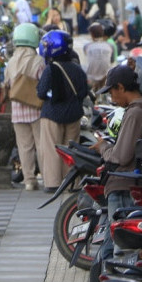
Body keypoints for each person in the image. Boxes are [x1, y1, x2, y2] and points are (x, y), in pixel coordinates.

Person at [91, 65, 142, 259]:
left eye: (111, 92)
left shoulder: (135, 113)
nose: (112, 98)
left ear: (121, 87)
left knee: (122, 250)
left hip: (124, 185)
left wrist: (103, 148)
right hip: (137, 182)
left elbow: (121, 156)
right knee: (111, 246)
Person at [37, 30, 88, 192]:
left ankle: (53, 183)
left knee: (52, 149)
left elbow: (41, 92)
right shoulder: (77, 69)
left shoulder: (50, 69)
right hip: (73, 114)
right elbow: (83, 92)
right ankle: (72, 183)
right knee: (70, 151)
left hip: (52, 114)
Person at [5, 23, 46, 192]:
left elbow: (6, 84)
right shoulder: (38, 61)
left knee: (24, 147)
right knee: (41, 145)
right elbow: (43, 84)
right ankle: (45, 176)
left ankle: (29, 180)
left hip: (17, 111)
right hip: (36, 109)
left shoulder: (11, 62)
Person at [83, 22, 114, 92]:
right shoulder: (110, 46)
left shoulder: (87, 46)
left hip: (90, 78)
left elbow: (88, 59)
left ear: (92, 35)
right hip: (106, 78)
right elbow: (112, 61)